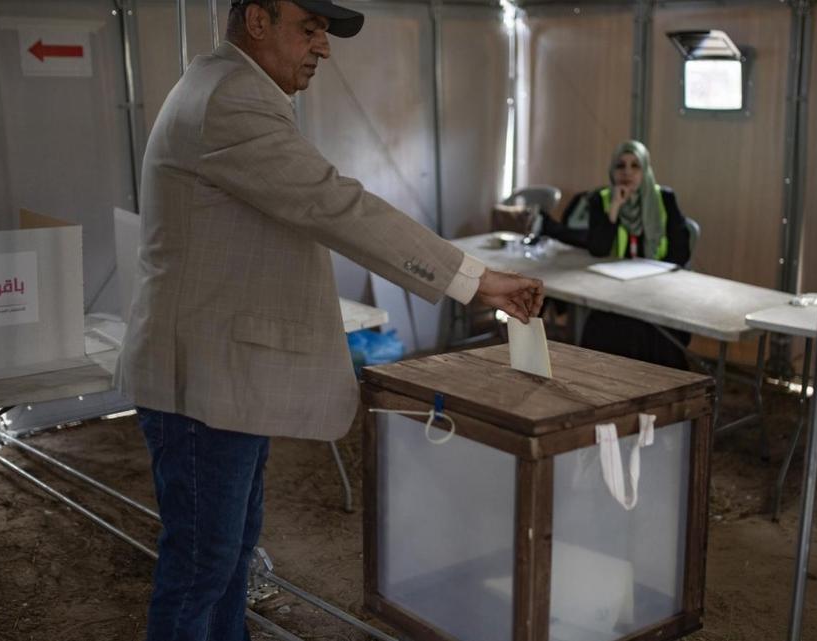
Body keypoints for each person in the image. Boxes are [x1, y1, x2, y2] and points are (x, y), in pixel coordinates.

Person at [114, 2, 544, 639]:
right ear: (256, 19)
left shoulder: (222, 85)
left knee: (227, 557)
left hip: (220, 378)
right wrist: (474, 281)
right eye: (308, 27)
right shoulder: (231, 97)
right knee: (203, 566)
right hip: (202, 383)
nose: (323, 47)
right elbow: (333, 205)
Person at [543, 140, 692, 369]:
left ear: (645, 170)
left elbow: (681, 252)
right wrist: (614, 208)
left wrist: (653, 276)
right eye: (620, 166)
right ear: (612, 170)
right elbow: (598, 249)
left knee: (653, 332)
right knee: (606, 329)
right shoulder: (600, 199)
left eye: (635, 166)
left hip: (657, 292)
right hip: (614, 293)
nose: (627, 172)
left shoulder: (664, 199)